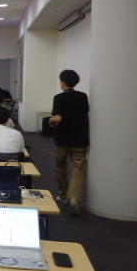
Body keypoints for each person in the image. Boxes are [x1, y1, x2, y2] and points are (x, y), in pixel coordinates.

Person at [49, 69, 89, 215]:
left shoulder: (59, 98)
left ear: (64, 82)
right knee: (78, 169)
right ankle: (74, 198)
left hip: (62, 139)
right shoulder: (83, 96)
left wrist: (51, 121)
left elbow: (58, 118)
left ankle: (63, 195)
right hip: (80, 138)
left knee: (61, 167)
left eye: (60, 81)